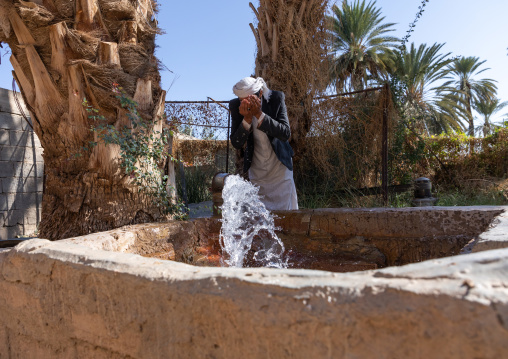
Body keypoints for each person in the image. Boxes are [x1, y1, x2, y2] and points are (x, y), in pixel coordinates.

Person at [229, 77, 298, 211]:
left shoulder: (275, 99)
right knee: (261, 214)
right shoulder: (236, 106)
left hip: (280, 167)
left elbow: (285, 133)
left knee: (286, 212)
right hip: (257, 170)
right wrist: (247, 120)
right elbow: (236, 142)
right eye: (242, 101)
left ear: (260, 93)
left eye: (249, 99)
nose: (246, 104)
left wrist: (259, 115)